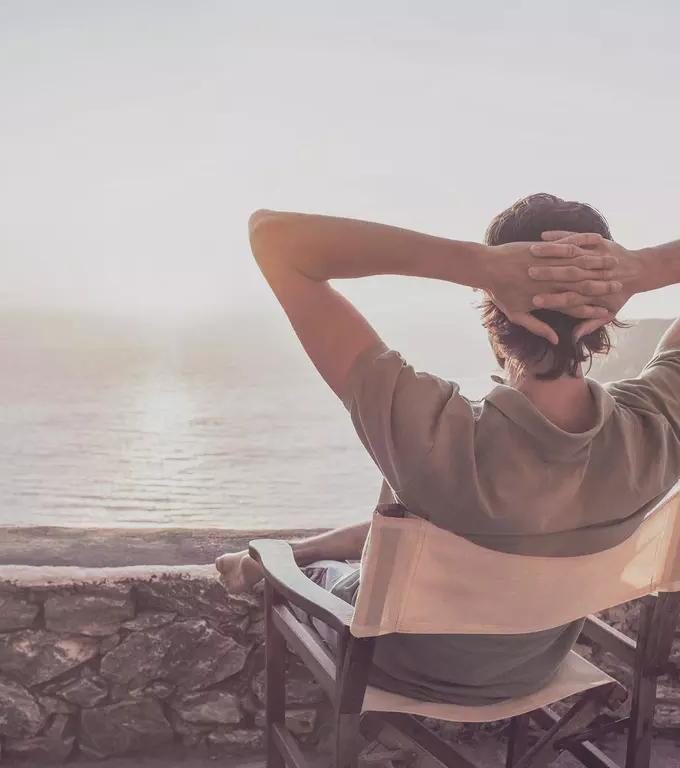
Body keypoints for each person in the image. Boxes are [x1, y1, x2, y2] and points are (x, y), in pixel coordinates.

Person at [216, 193, 680, 705]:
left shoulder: (433, 428)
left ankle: (274, 558)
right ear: (607, 317)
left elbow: (273, 236)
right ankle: (294, 551)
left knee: (346, 564)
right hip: (531, 667)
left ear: (493, 312)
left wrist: (477, 265)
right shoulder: (656, 427)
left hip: (398, 665)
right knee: (425, 530)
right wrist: (648, 267)